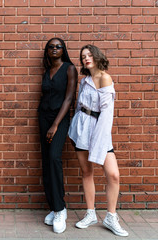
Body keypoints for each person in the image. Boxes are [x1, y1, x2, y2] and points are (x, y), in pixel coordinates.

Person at [68, 45, 128, 237]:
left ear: (97, 56)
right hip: (81, 129)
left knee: (113, 175)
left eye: (89, 54)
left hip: (99, 131)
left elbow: (106, 115)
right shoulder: (84, 81)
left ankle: (111, 217)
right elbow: (79, 107)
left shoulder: (104, 78)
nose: (86, 58)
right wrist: (74, 130)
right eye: (83, 56)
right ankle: (91, 213)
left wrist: (98, 142)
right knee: (87, 172)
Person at [38, 38, 78, 233]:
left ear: (63, 50)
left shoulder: (69, 69)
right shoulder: (47, 71)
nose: (54, 49)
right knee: (46, 161)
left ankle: (61, 208)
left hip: (59, 120)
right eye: (51, 47)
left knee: (54, 158)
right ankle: (53, 207)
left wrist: (55, 125)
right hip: (44, 117)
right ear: (47, 51)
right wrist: (46, 121)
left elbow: (69, 98)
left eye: (58, 46)